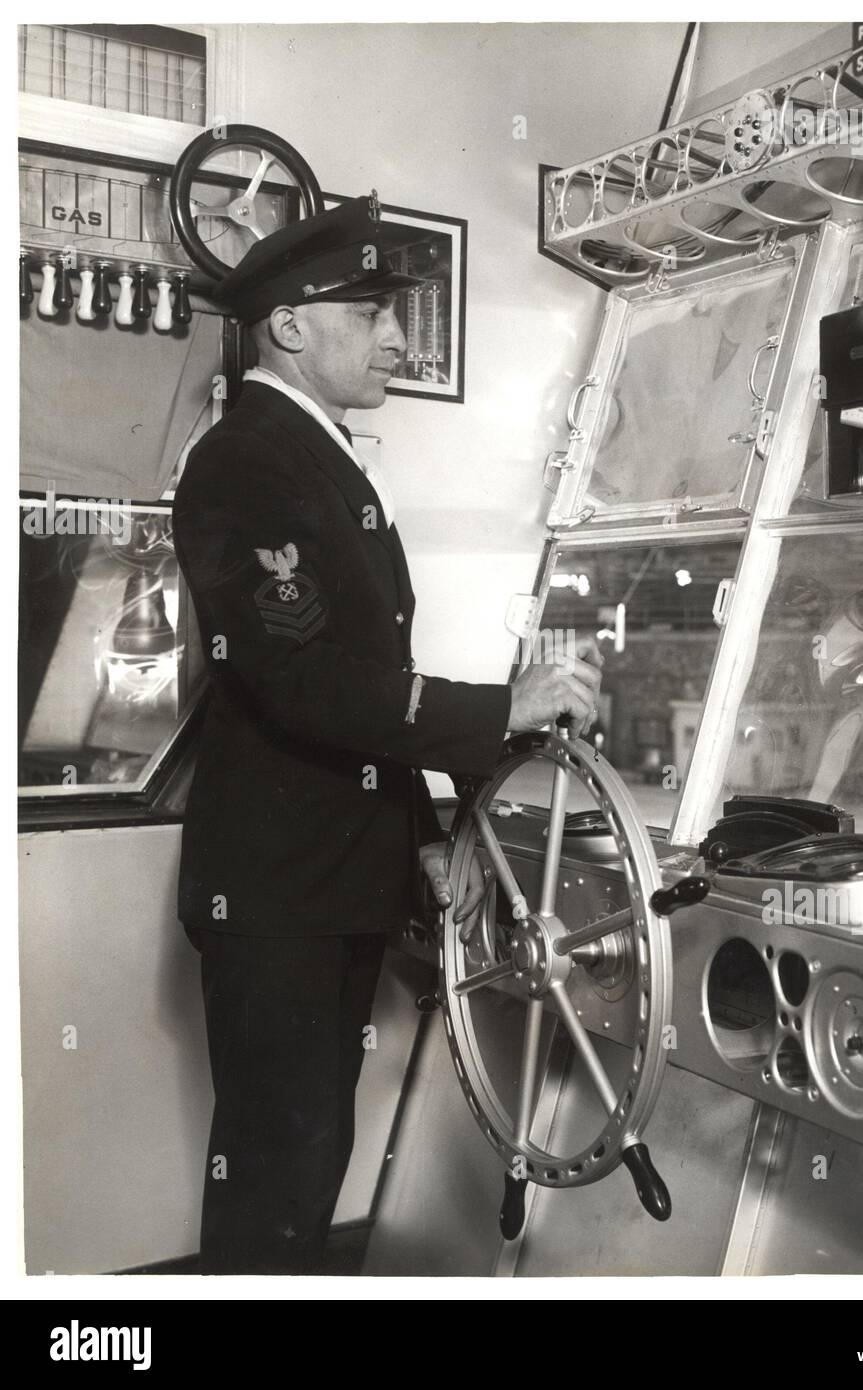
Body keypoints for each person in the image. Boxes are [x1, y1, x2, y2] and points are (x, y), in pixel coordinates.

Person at [172, 194, 602, 1274]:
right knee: (279, 1171)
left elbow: (370, 689)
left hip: (323, 878)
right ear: (290, 326)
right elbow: (304, 682)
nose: (399, 338)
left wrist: (419, 831)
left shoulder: (319, 458)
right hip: (278, 895)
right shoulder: (244, 461)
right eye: (370, 312)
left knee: (308, 1163)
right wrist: (502, 709)